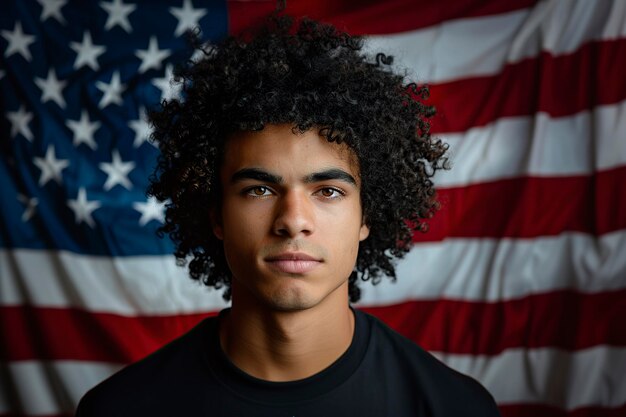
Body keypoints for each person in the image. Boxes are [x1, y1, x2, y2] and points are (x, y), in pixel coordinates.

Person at [76, 13, 500, 417]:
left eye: (328, 191)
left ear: (366, 216)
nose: (293, 220)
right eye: (259, 189)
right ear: (216, 214)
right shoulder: (121, 409)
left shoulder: (453, 407)